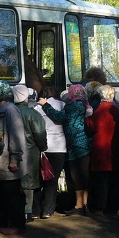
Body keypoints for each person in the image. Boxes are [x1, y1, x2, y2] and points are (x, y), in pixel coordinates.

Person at [38, 84, 91, 216]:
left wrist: (46, 105)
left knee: (76, 177)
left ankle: (79, 206)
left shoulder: (72, 105)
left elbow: (59, 117)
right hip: (84, 145)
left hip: (74, 146)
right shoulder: (85, 105)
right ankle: (85, 204)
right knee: (84, 176)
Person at [0, 80, 26, 235]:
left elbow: (17, 136)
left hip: (7, 161)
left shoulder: (10, 110)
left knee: (12, 195)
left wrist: (15, 159)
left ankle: (17, 224)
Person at [84, 85, 119, 215]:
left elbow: (92, 127)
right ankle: (112, 206)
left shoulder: (99, 111)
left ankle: (99, 206)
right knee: (113, 180)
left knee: (100, 180)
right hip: (114, 149)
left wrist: (87, 117)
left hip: (100, 149)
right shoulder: (116, 110)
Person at [12, 85, 47, 222]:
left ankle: (15, 211)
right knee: (29, 182)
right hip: (30, 152)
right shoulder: (33, 114)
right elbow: (39, 133)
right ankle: (27, 212)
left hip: (12, 152)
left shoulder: (8, 110)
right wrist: (43, 147)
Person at [33, 86, 67, 219]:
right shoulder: (62, 105)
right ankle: (47, 210)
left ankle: (36, 209)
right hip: (59, 147)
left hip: (43, 148)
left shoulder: (37, 108)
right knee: (53, 180)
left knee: (40, 178)